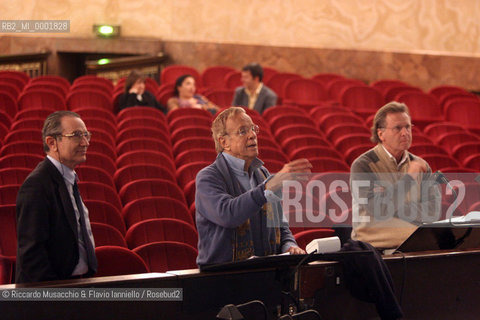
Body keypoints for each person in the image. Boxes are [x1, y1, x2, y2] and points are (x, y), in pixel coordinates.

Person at [195, 107, 311, 266]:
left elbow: (280, 225)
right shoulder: (208, 177)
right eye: (242, 131)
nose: (252, 135)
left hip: (265, 273)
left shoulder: (262, 173)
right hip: (223, 278)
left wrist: (290, 246)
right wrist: (266, 189)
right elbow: (228, 214)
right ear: (224, 142)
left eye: (253, 128)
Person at [16, 111, 97, 283]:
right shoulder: (36, 185)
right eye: (76, 135)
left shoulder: (68, 179)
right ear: (52, 142)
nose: (85, 142)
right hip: (51, 294)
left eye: (86, 134)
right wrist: (57, 295)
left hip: (74, 284)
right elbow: (32, 254)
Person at [350, 102, 440, 250]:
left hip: (411, 238)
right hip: (372, 242)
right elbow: (379, 209)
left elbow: (432, 211)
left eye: (408, 127)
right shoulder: (363, 165)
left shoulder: (421, 165)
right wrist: (409, 179)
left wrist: (394, 205)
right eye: (398, 128)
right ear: (381, 134)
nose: (405, 133)